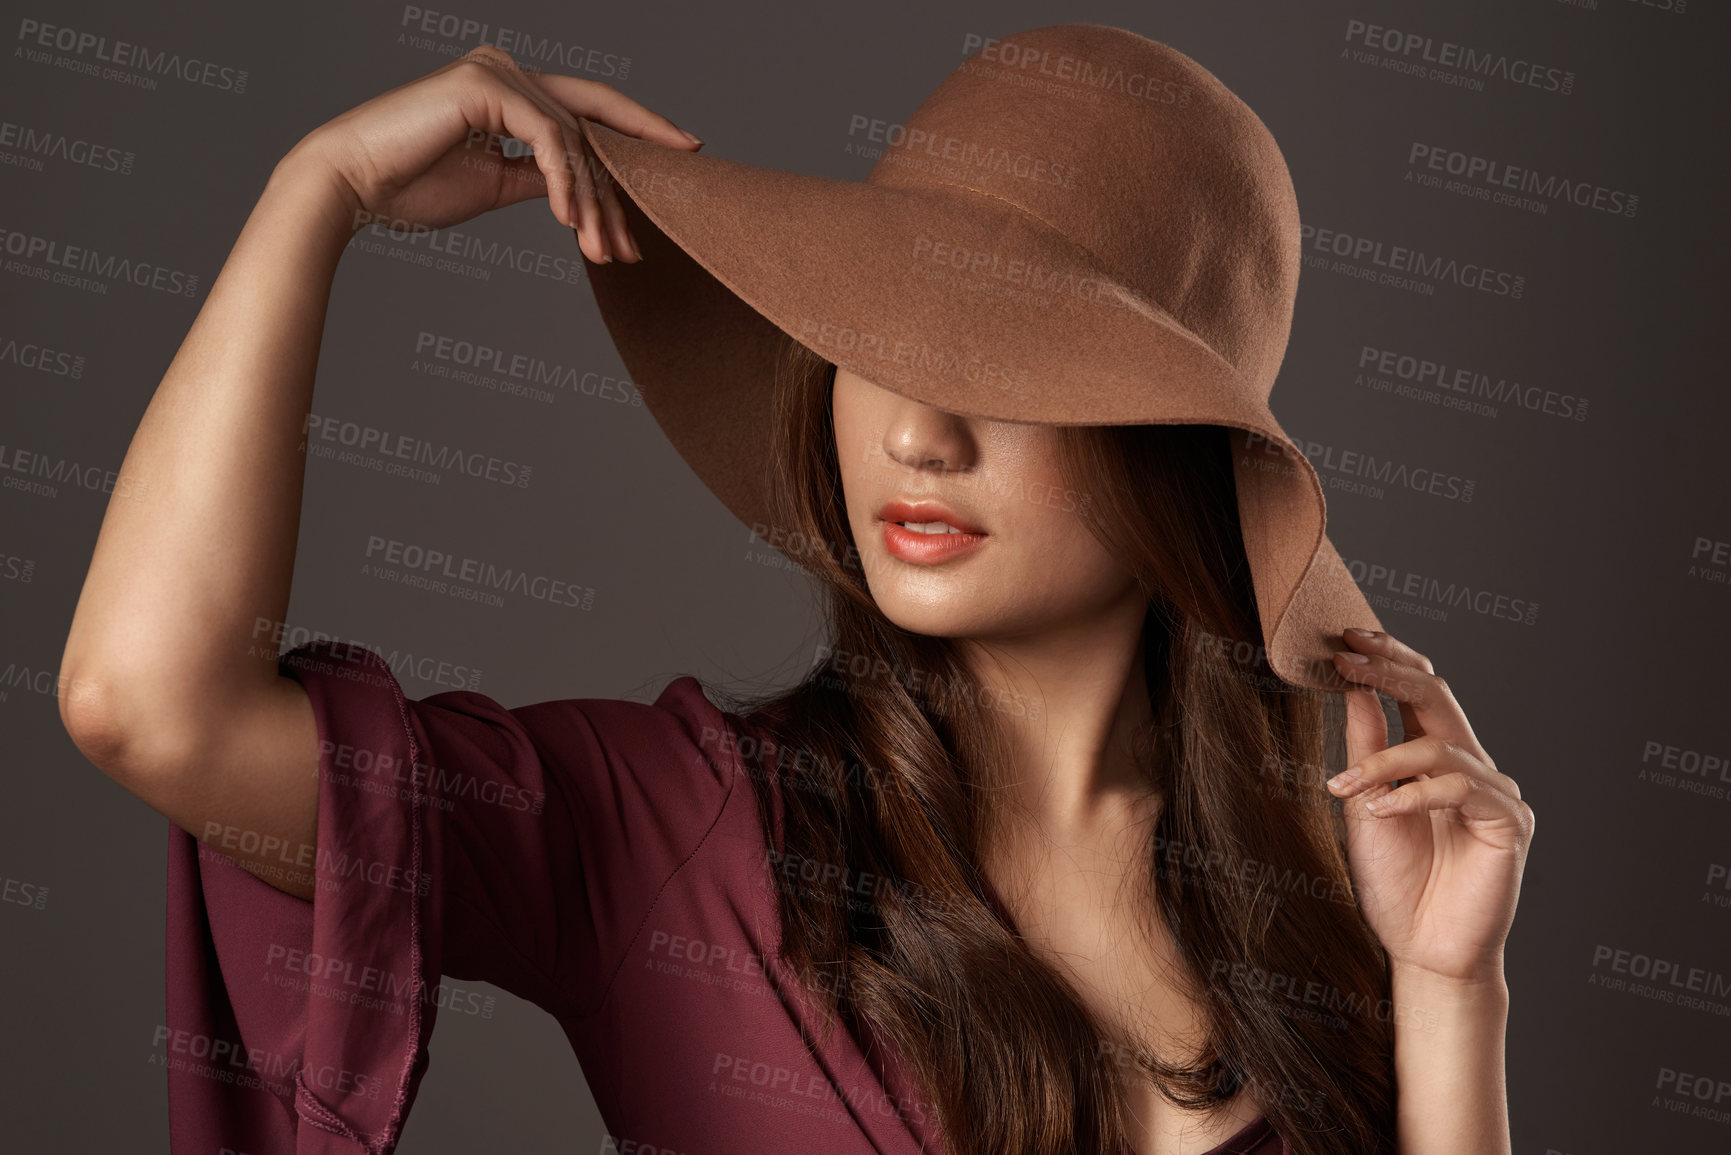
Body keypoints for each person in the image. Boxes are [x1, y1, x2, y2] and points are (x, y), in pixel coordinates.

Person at [58, 29, 1534, 1155]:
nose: (915, 430)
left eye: (1005, 364)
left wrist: (1453, 994)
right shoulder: (674, 832)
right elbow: (145, 707)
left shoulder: (1330, 912)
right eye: (876, 336)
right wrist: (313, 200)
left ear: (1180, 451)